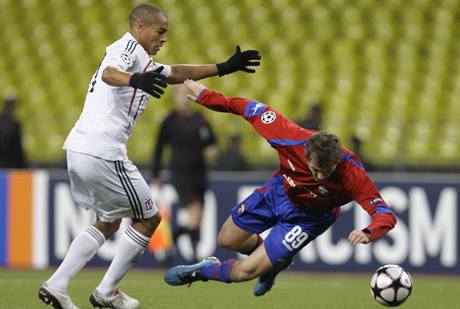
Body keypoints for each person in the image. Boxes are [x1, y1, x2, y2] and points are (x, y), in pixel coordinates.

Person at [38, 4, 261, 309]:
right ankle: (107, 291)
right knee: (149, 217)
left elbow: (179, 73)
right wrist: (133, 80)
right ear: (140, 27)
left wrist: (224, 67)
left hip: (80, 148)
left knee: (109, 220)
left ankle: (57, 285)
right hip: (103, 151)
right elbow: (109, 72)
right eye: (160, 31)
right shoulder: (127, 48)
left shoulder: (144, 59)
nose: (164, 38)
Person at [164, 80, 397, 297]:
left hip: (309, 218)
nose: (321, 176)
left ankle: (204, 271)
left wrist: (368, 232)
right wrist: (207, 96)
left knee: (247, 271)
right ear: (306, 154)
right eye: (316, 170)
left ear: (337, 161)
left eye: (328, 171)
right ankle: (277, 261)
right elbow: (248, 108)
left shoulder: (352, 173)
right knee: (228, 240)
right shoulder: (289, 137)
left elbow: (385, 215)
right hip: (278, 192)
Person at [152, 84, 219, 262]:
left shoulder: (200, 119)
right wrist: (156, 174)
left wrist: (213, 149)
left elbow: (211, 142)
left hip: (199, 173)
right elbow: (158, 149)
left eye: (188, 94)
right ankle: (185, 252)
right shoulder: (169, 121)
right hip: (180, 174)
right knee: (195, 213)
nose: (185, 97)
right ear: (175, 97)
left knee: (197, 217)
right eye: (181, 94)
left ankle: (190, 254)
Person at [0, 96, 27, 168]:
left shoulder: (15, 124)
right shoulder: (14, 125)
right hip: (9, 165)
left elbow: (18, 148)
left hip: (11, 165)